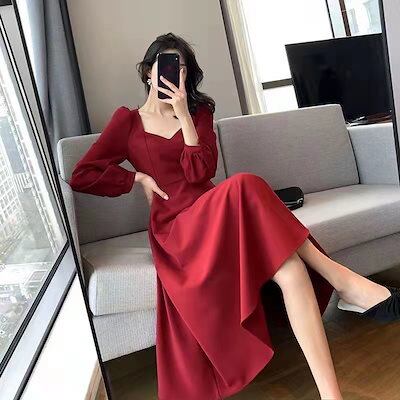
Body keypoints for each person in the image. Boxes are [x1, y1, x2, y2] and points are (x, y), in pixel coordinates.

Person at [69, 33, 400, 400]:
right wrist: (137, 178)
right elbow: (82, 174)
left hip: (217, 213)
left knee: (290, 269)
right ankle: (341, 279)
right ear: (148, 72)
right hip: (176, 229)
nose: (174, 74)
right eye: (166, 66)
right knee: (245, 183)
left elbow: (200, 172)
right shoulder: (127, 122)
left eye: (182, 68)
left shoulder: (200, 112)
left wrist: (184, 115)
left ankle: (331, 395)